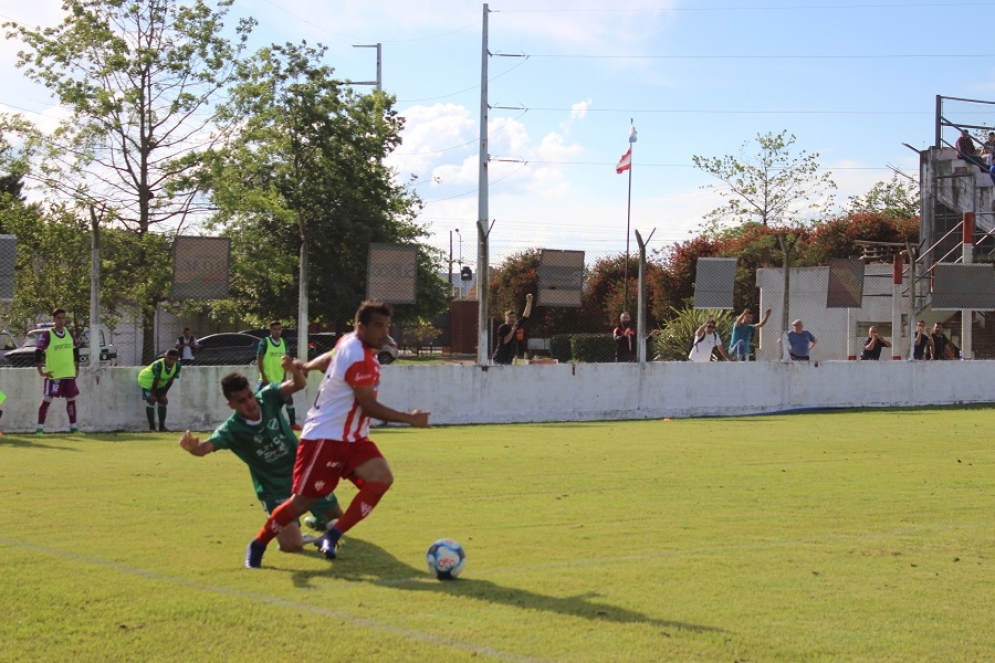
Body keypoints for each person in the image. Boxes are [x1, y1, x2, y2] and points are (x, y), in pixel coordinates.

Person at [244, 301, 431, 570]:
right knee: (301, 503)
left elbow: (331, 355)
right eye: (378, 326)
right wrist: (409, 418)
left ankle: (332, 535)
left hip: (353, 438)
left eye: (387, 326)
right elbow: (368, 406)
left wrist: (306, 366)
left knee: (381, 478)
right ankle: (258, 544)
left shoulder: (350, 342)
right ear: (360, 327)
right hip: (324, 438)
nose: (384, 333)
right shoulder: (358, 356)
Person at [178, 355, 343, 556]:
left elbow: (299, 384)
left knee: (339, 520)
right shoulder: (232, 430)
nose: (249, 403)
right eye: (241, 401)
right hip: (274, 489)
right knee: (292, 546)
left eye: (249, 396)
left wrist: (294, 370)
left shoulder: (268, 397)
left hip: (303, 475)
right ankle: (300, 533)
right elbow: (204, 449)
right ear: (231, 405)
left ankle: (318, 520)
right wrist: (193, 447)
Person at [35, 307, 84, 435]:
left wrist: (77, 368)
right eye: (58, 318)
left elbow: (76, 349)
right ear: (53, 319)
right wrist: (41, 371)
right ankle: (40, 428)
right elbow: (38, 351)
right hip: (53, 374)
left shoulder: (70, 333)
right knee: (47, 400)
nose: (61, 321)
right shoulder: (48, 335)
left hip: (68, 373)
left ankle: (73, 427)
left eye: (63, 318)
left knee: (71, 400)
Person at [256, 320, 299, 431]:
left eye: (279, 329)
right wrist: (264, 377)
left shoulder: (284, 343)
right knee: (256, 401)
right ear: (270, 330)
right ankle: (255, 425)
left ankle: (293, 423)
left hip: (280, 379)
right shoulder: (264, 342)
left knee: (289, 399)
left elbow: (286, 361)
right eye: (275, 329)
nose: (277, 331)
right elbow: (259, 361)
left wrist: (284, 377)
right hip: (267, 380)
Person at [138, 349, 181, 431]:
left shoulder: (177, 366)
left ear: (177, 359)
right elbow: (156, 379)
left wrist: (164, 394)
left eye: (174, 359)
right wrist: (153, 394)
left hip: (160, 383)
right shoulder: (159, 364)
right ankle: (152, 428)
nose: (171, 361)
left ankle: (162, 427)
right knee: (151, 400)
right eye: (169, 359)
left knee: (163, 401)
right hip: (147, 381)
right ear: (165, 357)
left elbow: (171, 380)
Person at [493, 294, 534, 365]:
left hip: (508, 360)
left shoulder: (515, 326)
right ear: (506, 318)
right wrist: (513, 329)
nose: (512, 319)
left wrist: (529, 302)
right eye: (510, 317)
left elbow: (525, 316)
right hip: (499, 360)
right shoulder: (503, 327)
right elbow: (505, 341)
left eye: (513, 317)